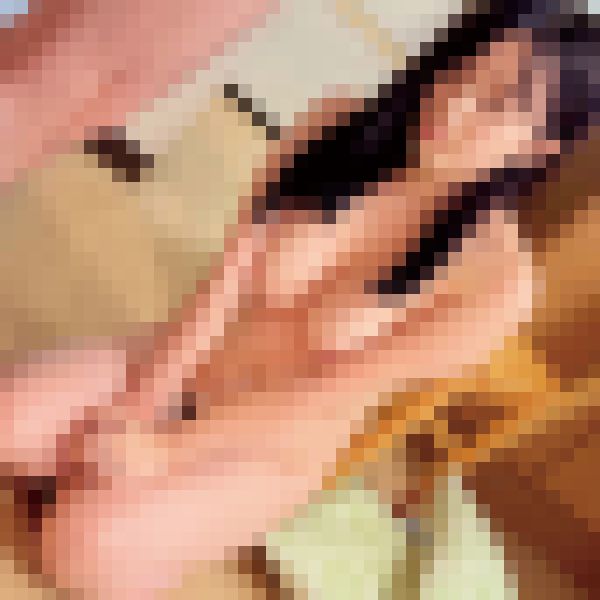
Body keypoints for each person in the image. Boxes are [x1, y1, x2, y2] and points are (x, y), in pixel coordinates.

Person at [2, 1, 597, 597]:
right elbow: (224, 285)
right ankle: (87, 479)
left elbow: (322, 398)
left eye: (496, 103)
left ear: (540, 145)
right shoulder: (336, 122)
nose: (456, 103)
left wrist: (159, 450)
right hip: (185, 369)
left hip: (259, 450)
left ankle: (120, 508)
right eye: (464, 70)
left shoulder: (498, 284)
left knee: (80, 546)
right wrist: (142, 403)